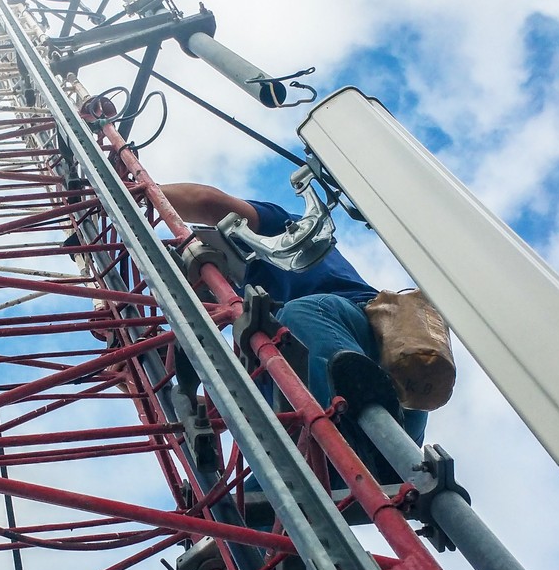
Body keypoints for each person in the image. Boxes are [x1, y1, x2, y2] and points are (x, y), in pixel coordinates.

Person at [160, 181, 427, 445]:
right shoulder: (255, 338)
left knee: (299, 316)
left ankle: (349, 424)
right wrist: (151, 384)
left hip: (363, 340)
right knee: (257, 483)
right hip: (327, 448)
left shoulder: (279, 234)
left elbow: (206, 202)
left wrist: (140, 195)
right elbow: (225, 409)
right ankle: (341, 442)